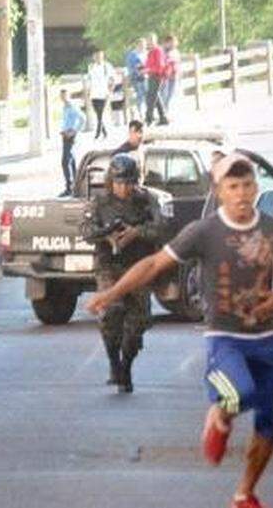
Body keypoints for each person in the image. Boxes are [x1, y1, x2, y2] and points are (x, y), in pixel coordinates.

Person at [87, 154, 273, 508]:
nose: (242, 194)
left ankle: (244, 493)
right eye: (233, 187)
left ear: (256, 187)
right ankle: (218, 416)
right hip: (226, 337)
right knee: (237, 395)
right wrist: (112, 292)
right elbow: (155, 263)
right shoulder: (204, 232)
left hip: (266, 339)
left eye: (247, 185)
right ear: (218, 192)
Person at [80, 154, 167, 393]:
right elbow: (86, 231)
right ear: (111, 181)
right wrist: (106, 235)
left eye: (128, 183)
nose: (123, 188)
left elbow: (161, 229)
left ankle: (126, 365)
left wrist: (137, 232)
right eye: (119, 183)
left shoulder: (146, 200)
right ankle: (113, 362)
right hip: (109, 265)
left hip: (138, 266)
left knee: (138, 323)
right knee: (111, 312)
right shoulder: (100, 202)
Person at [60, 89, 87, 197]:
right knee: (71, 161)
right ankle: (76, 186)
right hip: (65, 135)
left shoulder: (72, 106)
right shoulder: (65, 107)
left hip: (70, 136)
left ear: (68, 95)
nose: (63, 98)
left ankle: (69, 187)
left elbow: (82, 118)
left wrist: (74, 131)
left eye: (65, 96)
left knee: (65, 161)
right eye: (61, 96)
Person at [87, 50, 116, 140]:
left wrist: (110, 90)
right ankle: (104, 131)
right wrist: (88, 91)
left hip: (104, 92)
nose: (98, 58)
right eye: (96, 56)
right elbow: (89, 79)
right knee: (97, 113)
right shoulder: (91, 66)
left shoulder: (107, 66)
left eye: (100, 56)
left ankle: (98, 131)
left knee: (101, 112)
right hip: (94, 92)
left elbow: (113, 79)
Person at [144, 34, 170, 126]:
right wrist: (143, 68)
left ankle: (149, 118)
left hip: (157, 76)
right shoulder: (150, 52)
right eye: (147, 41)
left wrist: (149, 69)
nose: (148, 43)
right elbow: (149, 64)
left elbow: (160, 66)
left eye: (150, 41)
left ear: (154, 41)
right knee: (155, 96)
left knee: (152, 97)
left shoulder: (157, 50)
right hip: (151, 75)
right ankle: (163, 117)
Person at [125, 38, 148, 119]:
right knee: (139, 95)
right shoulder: (132, 55)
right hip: (137, 78)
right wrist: (136, 72)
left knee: (147, 95)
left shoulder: (147, 53)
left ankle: (146, 112)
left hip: (147, 77)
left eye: (144, 45)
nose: (143, 46)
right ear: (137, 45)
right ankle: (140, 112)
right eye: (141, 44)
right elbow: (130, 67)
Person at [161, 35, 181, 113]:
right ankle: (164, 110)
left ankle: (166, 109)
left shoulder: (176, 51)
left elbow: (178, 63)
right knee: (165, 94)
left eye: (174, 43)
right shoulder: (162, 51)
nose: (173, 44)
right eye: (171, 42)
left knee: (171, 93)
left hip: (174, 75)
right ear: (167, 42)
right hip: (165, 76)